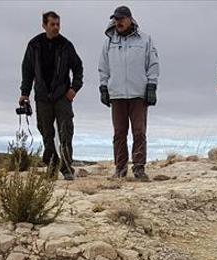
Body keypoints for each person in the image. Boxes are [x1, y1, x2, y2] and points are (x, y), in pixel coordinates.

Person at [20, 11, 84, 180]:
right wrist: (24, 93)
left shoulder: (66, 45)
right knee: (46, 132)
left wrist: (74, 88)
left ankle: (67, 167)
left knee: (65, 131)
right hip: (42, 96)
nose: (56, 27)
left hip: (62, 95)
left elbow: (78, 67)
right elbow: (27, 70)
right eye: (52, 24)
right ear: (44, 25)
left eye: (58, 24)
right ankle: (53, 165)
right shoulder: (34, 45)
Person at [98, 5, 159, 181]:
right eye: (116, 19)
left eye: (122, 19)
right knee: (119, 133)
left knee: (139, 132)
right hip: (117, 95)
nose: (118, 22)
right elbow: (103, 67)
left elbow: (153, 64)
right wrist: (104, 87)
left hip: (138, 94)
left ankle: (139, 169)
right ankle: (120, 169)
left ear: (130, 19)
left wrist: (151, 86)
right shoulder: (109, 42)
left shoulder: (145, 40)